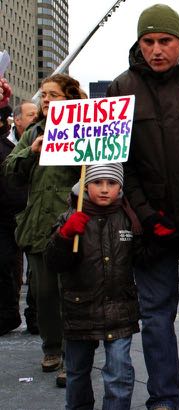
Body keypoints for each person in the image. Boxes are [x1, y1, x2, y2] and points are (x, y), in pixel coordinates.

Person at [106, 4, 179, 409]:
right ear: (139, 43)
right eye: (148, 41)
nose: (156, 49)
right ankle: (164, 395)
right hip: (150, 224)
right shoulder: (120, 88)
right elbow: (121, 162)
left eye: (164, 41)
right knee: (156, 315)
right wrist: (146, 213)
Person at [2, 74, 84, 387]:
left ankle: (73, 356)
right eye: (43, 95)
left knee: (70, 292)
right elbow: (11, 171)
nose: (46, 100)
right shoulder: (33, 132)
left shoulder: (82, 131)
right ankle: (52, 348)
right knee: (45, 293)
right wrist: (31, 152)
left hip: (70, 221)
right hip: (38, 224)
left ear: (69, 98)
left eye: (53, 94)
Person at [45, 163, 141, 410]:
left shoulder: (127, 217)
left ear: (121, 186)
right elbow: (53, 261)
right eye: (98, 182)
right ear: (86, 184)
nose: (105, 189)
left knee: (119, 373)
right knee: (77, 373)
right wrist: (64, 237)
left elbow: (140, 255)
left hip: (119, 309)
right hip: (80, 310)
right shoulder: (70, 216)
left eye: (112, 183)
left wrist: (154, 238)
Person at [8, 101, 39, 334]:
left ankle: (34, 316)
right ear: (17, 119)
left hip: (34, 215)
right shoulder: (15, 142)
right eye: (30, 114)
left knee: (34, 273)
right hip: (14, 216)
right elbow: (9, 170)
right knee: (13, 270)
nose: (35, 116)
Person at [0, 104, 23, 336]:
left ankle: (34, 317)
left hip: (28, 212)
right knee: (5, 264)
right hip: (6, 216)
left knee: (36, 274)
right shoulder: (5, 144)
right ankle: (8, 314)